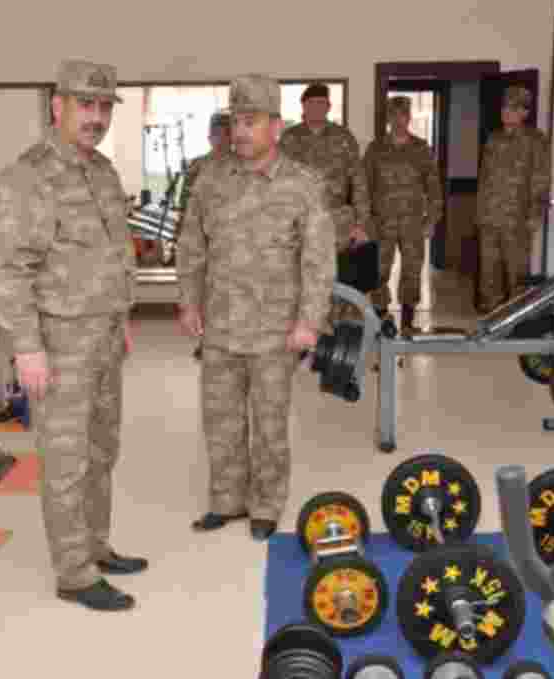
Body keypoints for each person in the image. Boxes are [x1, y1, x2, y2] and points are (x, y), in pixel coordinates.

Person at [0, 59, 146, 612]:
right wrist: (27, 348)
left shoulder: (101, 170)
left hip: (103, 338)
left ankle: (96, 546)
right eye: (86, 105)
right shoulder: (29, 176)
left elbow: (113, 254)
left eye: (105, 107)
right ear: (58, 106)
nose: (97, 117)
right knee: (66, 459)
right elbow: (10, 270)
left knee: (102, 449)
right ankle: (74, 573)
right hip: (57, 345)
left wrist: (121, 318)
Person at [176, 74, 335, 541]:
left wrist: (309, 320)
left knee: (269, 423)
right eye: (236, 121)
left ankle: (266, 503)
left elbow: (318, 259)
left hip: (275, 329)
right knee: (220, 419)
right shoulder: (210, 179)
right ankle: (226, 499)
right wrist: (188, 301)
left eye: (252, 121)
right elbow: (191, 246)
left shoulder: (303, 184)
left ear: (277, 127)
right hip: (221, 326)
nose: (241, 131)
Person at [279, 82, 370, 323]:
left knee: (338, 279)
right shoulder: (289, 139)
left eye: (322, 104)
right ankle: (303, 335)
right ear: (303, 107)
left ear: (329, 107)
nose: (317, 109)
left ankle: (337, 334)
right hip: (300, 220)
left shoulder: (343, 138)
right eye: (312, 104)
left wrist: (361, 224)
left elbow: (359, 182)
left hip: (337, 221)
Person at [363, 96, 444, 335]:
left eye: (403, 115)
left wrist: (431, 220)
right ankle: (380, 318)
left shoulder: (421, 149)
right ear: (388, 118)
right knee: (378, 271)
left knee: (411, 270)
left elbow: (434, 188)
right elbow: (363, 186)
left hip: (413, 223)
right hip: (382, 222)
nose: (398, 120)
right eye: (393, 115)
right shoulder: (375, 149)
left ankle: (408, 322)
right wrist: (364, 220)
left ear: (409, 117)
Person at [475, 85, 552, 313]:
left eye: (512, 108)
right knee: (488, 274)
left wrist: (535, 215)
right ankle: (491, 320)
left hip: (516, 220)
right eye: (504, 107)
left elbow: (540, 179)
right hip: (489, 218)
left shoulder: (535, 140)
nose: (506, 112)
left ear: (524, 112)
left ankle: (517, 322)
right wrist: (479, 213)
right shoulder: (493, 138)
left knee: (517, 275)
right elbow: (484, 177)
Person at [178, 110, 232, 360]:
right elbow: (185, 204)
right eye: (217, 134)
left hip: (233, 242)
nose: (222, 139)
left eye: (226, 133)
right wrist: (184, 237)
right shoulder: (198, 166)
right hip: (203, 241)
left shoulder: (243, 165)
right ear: (210, 137)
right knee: (205, 293)